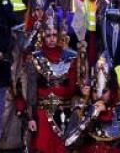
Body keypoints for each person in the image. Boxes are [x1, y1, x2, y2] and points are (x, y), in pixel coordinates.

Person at [25, 23, 78, 153]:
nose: (52, 39)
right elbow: (31, 89)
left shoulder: (71, 56)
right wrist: (31, 117)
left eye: (54, 35)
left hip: (66, 111)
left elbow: (76, 86)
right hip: (43, 112)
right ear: (43, 36)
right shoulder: (35, 58)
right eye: (48, 35)